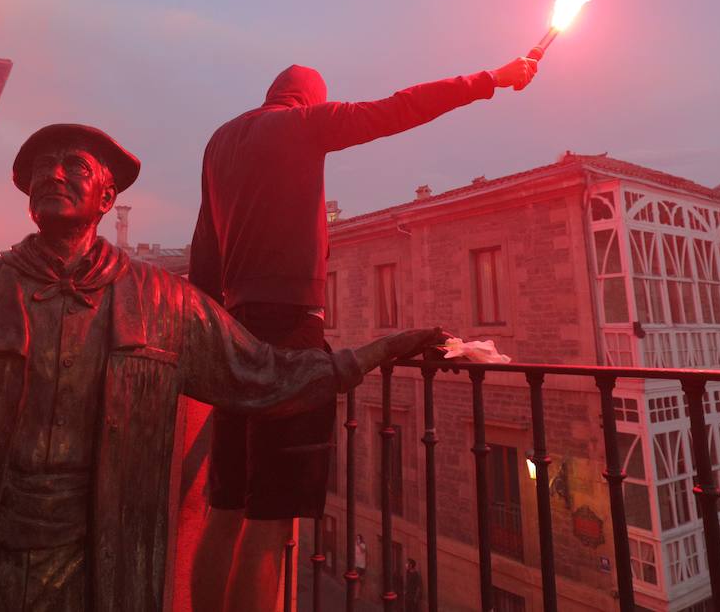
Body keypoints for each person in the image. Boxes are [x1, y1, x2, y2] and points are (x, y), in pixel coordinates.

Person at [0, 123, 442, 612]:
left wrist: (382, 350)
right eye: (40, 167)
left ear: (107, 196)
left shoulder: (165, 305)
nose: (53, 173)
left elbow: (267, 379)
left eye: (75, 164)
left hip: (98, 576)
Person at [189, 58, 537, 610]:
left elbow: (203, 251)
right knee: (268, 521)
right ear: (309, 99)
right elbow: (400, 108)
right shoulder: (303, 123)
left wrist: (212, 337)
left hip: (231, 333)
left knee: (225, 509)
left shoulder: (220, 140)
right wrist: (491, 80)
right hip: (290, 336)